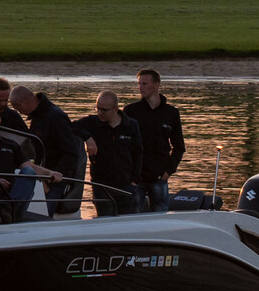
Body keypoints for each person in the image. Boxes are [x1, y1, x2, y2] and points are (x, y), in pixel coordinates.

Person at [10, 85, 85, 216]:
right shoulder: (37, 117)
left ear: (21, 104)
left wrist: (50, 181)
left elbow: (71, 152)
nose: (20, 113)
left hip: (55, 180)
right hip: (41, 177)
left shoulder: (54, 117)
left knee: (41, 217)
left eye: (18, 109)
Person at [121, 68, 185, 213]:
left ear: (156, 85)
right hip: (136, 177)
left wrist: (168, 171)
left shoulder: (171, 113)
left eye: (144, 84)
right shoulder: (131, 111)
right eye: (139, 84)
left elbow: (179, 146)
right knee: (132, 216)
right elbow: (123, 144)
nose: (140, 88)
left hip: (159, 177)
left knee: (160, 217)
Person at [73, 91, 143, 217]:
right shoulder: (91, 123)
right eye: (97, 108)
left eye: (104, 110)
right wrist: (87, 137)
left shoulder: (131, 125)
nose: (100, 113)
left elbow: (138, 152)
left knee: (128, 223)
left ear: (115, 109)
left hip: (126, 184)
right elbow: (70, 126)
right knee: (105, 222)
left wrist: (135, 180)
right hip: (101, 185)